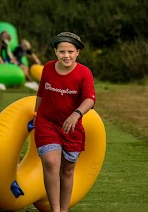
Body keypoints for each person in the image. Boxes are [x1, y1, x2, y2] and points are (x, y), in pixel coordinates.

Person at [33, 32, 96, 212]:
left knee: (67, 169)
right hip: (47, 122)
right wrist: (36, 115)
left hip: (71, 127)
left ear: (77, 53)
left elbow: (90, 99)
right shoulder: (48, 68)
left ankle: (64, 209)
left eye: (70, 51)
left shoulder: (84, 73)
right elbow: (41, 93)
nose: (66, 55)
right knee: (52, 163)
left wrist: (76, 114)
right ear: (55, 52)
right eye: (62, 51)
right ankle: (55, 210)